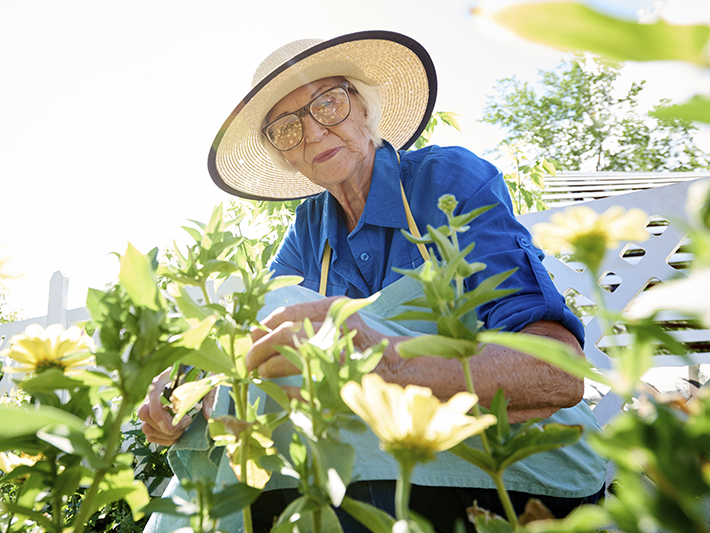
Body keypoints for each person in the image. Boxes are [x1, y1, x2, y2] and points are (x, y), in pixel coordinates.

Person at [140, 31, 607, 533]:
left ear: (366, 108)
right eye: (286, 128)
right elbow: (257, 333)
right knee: (264, 361)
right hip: (389, 453)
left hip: (522, 464)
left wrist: (382, 359)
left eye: (329, 103)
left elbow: (558, 374)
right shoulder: (309, 228)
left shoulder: (448, 179)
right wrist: (189, 386)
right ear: (284, 156)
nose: (314, 133)